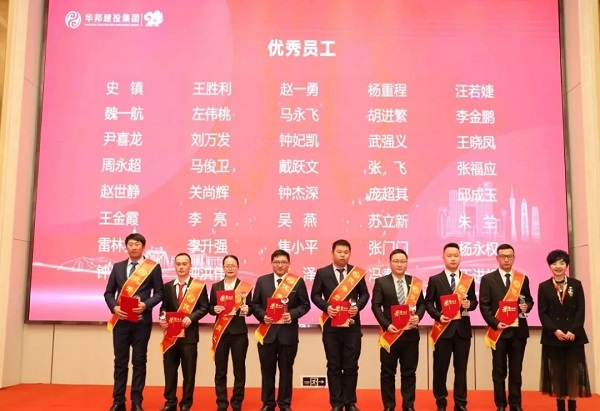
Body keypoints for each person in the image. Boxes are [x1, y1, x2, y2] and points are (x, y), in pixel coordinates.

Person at [104, 233, 165, 411]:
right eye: (130, 244)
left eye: (137, 244)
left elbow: (159, 293)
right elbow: (109, 293)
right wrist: (115, 307)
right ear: (126, 246)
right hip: (121, 321)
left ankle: (137, 402)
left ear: (143, 246)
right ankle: (118, 401)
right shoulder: (118, 267)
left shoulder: (153, 267)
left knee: (139, 361)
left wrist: (146, 305)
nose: (133, 247)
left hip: (141, 321)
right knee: (120, 361)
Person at [311, 239, 370, 411]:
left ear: (349, 254)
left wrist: (358, 307)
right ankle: (336, 403)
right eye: (339, 252)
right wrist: (327, 307)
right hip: (331, 327)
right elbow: (315, 295)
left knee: (351, 366)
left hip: (352, 327)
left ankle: (350, 402)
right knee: (334, 366)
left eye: (346, 252)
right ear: (332, 253)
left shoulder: (356, 274)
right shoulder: (322, 273)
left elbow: (365, 294)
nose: (342, 255)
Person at [251, 249, 311, 411]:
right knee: (267, 371)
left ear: (289, 264)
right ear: (272, 263)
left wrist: (292, 314)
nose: (280, 265)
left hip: (288, 334)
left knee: (286, 371)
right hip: (267, 334)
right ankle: (268, 403)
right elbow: (255, 304)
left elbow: (305, 305)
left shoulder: (297, 282)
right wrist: (263, 316)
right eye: (277, 262)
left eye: (283, 262)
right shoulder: (262, 281)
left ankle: (284, 404)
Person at [479, 244, 534, 411]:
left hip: (518, 332)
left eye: (509, 256)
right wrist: (495, 322)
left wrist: (526, 307)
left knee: (516, 371)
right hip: (498, 332)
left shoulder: (522, 279)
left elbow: (529, 300)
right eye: (503, 256)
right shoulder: (488, 279)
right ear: (497, 258)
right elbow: (484, 305)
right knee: (499, 370)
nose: (506, 259)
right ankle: (501, 404)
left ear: (514, 258)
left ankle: (515, 404)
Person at [425, 242, 477, 411]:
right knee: (440, 369)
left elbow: (474, 302)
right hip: (443, 331)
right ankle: (441, 402)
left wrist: (469, 304)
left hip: (462, 331)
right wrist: (439, 316)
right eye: (449, 256)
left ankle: (460, 403)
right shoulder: (435, 280)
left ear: (460, 257)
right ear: (443, 257)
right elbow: (428, 303)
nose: (453, 259)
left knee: (461, 369)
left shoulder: (468, 280)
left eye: (456, 255)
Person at [371, 249, 426, 411]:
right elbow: (376, 306)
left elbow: (422, 304)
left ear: (407, 263)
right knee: (388, 372)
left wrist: (418, 316)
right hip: (390, 334)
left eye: (403, 261)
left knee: (409, 372)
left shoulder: (414, 283)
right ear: (390, 263)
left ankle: (408, 405)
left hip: (410, 334)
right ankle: (389, 406)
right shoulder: (381, 282)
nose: (399, 264)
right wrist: (386, 325)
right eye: (396, 261)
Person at [538, 249, 591, 411]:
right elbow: (542, 313)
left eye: (562, 263)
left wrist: (573, 330)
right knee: (557, 374)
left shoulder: (576, 284)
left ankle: (573, 406)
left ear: (567, 265)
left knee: (573, 373)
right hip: (553, 337)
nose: (558, 266)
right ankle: (560, 406)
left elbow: (581, 310)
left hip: (573, 337)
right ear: (549, 266)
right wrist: (555, 331)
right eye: (554, 263)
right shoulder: (544, 286)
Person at [158, 252, 209, 411]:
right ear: (174, 266)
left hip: (189, 337)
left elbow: (204, 307)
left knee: (189, 373)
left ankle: (186, 403)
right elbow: (163, 308)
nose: (181, 267)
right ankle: (170, 402)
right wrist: (162, 318)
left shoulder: (198, 286)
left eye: (184, 264)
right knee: (170, 371)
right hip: (171, 336)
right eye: (178, 264)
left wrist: (191, 318)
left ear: (190, 266)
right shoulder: (167, 286)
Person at [209, 255, 253, 411]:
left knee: (239, 370)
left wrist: (247, 309)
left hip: (239, 334)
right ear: (223, 267)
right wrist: (214, 309)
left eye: (233, 265)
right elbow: (210, 307)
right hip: (221, 333)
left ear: (238, 267)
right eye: (227, 265)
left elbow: (251, 308)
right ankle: (221, 403)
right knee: (220, 371)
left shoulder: (245, 287)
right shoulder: (216, 287)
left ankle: (236, 402)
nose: (230, 268)